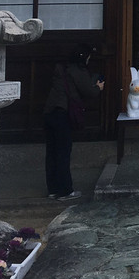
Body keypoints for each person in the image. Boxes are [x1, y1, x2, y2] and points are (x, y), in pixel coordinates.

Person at [44, 43, 104, 200]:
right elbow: (89, 91)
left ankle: (53, 189)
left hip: (49, 112)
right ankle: (65, 190)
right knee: (63, 152)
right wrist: (98, 87)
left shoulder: (62, 69)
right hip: (62, 114)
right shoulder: (77, 71)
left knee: (52, 152)